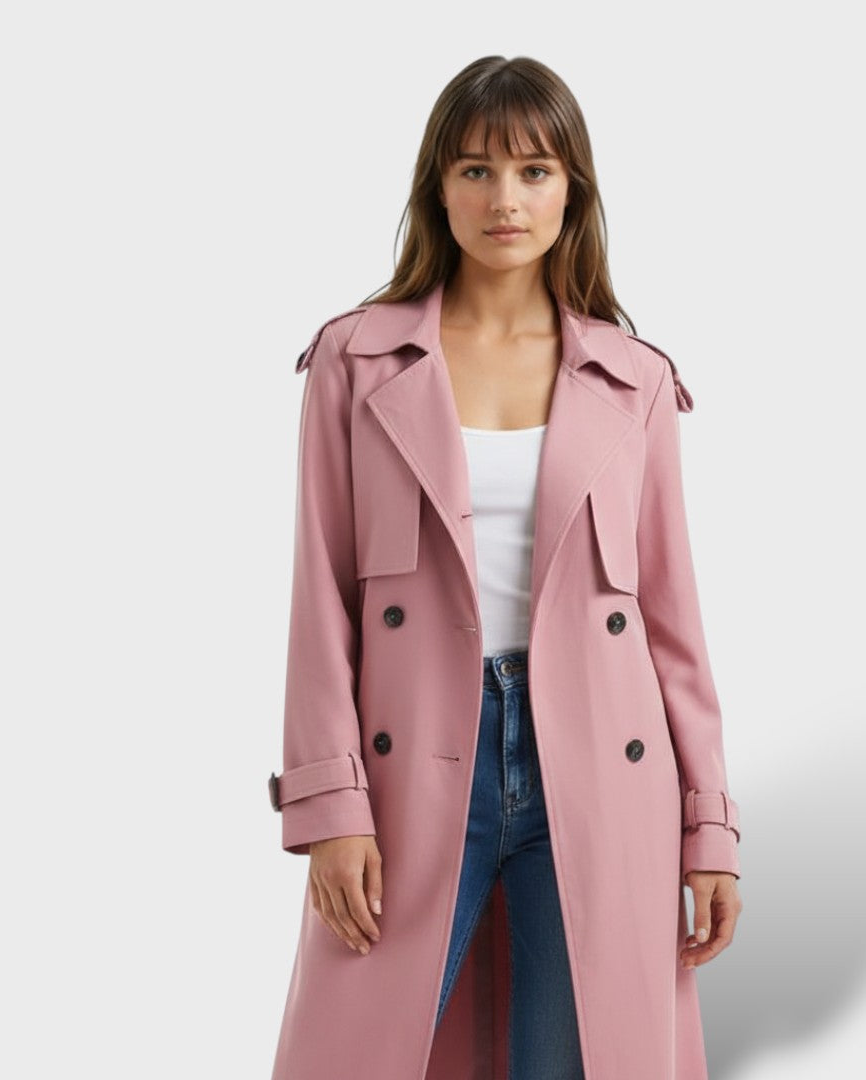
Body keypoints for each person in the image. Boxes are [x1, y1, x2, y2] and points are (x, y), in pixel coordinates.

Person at [268, 55, 743, 1080]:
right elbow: (321, 600)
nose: (505, 200)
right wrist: (330, 806)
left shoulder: (633, 380)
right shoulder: (355, 361)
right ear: (438, 187)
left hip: (603, 764)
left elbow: (671, 624)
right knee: (359, 1052)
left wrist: (710, 827)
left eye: (534, 171)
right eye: (476, 170)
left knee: (573, 1060)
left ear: (573, 191)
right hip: (413, 757)